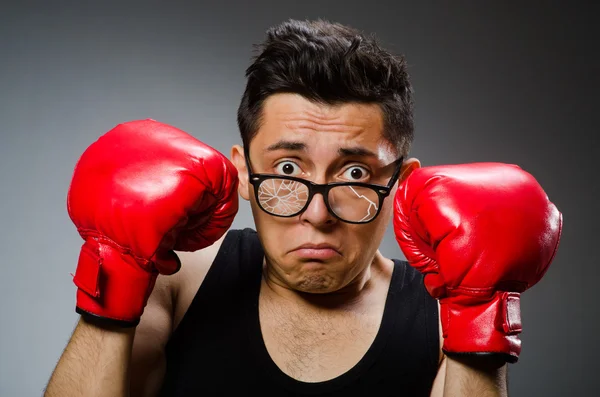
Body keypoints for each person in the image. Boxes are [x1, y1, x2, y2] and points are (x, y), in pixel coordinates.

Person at [44, 19, 562, 397]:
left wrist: (478, 313)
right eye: (288, 171)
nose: (319, 214)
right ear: (244, 174)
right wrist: (115, 269)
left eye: (355, 174)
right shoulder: (180, 282)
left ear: (402, 186)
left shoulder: (446, 310)